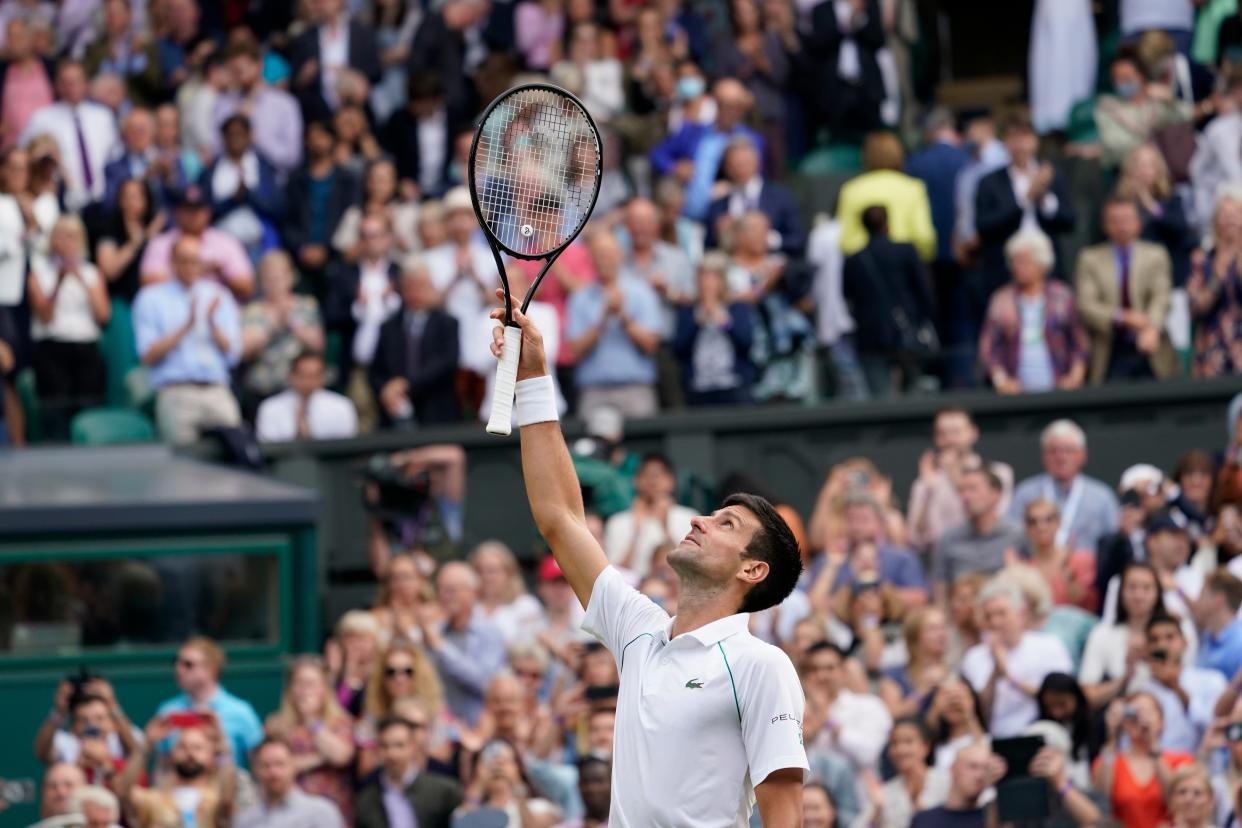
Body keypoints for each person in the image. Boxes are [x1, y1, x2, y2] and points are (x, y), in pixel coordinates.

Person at [490, 300, 809, 824]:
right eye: (712, 513)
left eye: (726, 524)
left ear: (752, 570)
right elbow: (561, 519)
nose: (701, 521)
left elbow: (785, 814)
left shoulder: (761, 666)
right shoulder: (640, 632)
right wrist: (533, 377)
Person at [132, 234, 243, 444]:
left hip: (216, 389)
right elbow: (147, 355)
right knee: (181, 462)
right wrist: (186, 326)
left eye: (195, 261)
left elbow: (233, 355)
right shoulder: (150, 298)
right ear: (172, 262)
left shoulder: (219, 295)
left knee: (237, 451)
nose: (190, 266)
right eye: (184, 260)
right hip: (175, 391)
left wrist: (211, 324)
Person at [972, 115, 1076, 325]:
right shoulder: (990, 182)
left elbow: (1069, 221)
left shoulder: (1052, 176)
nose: (1020, 145)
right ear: (1005, 143)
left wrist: (1044, 198)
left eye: (1025, 138)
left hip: (1048, 269)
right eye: (1013, 138)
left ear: (1035, 141)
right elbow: (985, 227)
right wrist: (1025, 199)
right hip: (1004, 270)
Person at [1075, 196, 1178, 384]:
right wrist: (1123, 317)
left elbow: (1162, 296)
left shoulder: (1156, 255)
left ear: (1138, 223)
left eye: (1127, 220)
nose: (1122, 226)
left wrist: (1152, 327)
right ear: (1105, 225)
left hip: (1150, 346)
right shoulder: (1089, 259)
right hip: (1110, 348)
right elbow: (1086, 304)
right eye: (1115, 221)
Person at [26, 214, 109, 439]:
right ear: (52, 240)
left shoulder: (91, 273)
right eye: (62, 236)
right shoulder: (40, 273)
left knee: (89, 410)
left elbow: (103, 315)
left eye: (72, 237)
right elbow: (44, 316)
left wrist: (80, 279)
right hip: (52, 349)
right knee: (56, 413)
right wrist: (60, 282)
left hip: (86, 347)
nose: (67, 242)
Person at [978, 229, 1089, 395]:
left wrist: (1075, 376)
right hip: (1016, 393)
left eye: (1024, 262)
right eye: (1014, 262)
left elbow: (1080, 343)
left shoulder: (1062, 297)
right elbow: (988, 348)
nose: (1017, 267)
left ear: (1042, 264)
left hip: (1059, 389)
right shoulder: (1002, 300)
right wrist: (1001, 380)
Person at [566, 232, 662, 420]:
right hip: (595, 392)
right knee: (595, 449)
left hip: (636, 389)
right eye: (599, 254)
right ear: (591, 259)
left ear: (620, 255)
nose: (604, 260)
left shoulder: (642, 293)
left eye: (609, 254)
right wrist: (602, 319)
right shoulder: (579, 298)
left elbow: (651, 345)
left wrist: (623, 318)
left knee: (641, 447)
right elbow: (575, 351)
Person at [842, 204, 936, 397]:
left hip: (869, 334)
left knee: (880, 394)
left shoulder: (854, 260)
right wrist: (925, 319)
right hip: (905, 328)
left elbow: (847, 296)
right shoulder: (905, 251)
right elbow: (924, 290)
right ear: (887, 223)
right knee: (914, 389)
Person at [960, 579, 1072, 736]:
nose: (995, 622)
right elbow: (979, 713)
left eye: (1001, 614)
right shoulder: (973, 657)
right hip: (995, 739)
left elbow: (1061, 698)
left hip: (1042, 732)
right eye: (988, 616)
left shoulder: (1049, 646)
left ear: (1021, 614)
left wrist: (1009, 677)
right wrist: (995, 673)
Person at [324, 212, 400, 432]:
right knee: (362, 421)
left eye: (376, 235)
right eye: (365, 236)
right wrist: (357, 307)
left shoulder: (399, 272)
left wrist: (392, 302)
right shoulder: (345, 274)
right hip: (359, 366)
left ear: (388, 238)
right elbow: (331, 316)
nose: (371, 241)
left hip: (395, 369)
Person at [649, 77, 765, 221]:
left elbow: (757, 179)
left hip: (725, 219)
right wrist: (674, 168)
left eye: (733, 105)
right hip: (688, 215)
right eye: (721, 103)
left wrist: (733, 186)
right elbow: (657, 154)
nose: (726, 110)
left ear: (741, 109)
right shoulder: (693, 131)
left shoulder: (751, 139)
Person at [369, 257, 461, 426]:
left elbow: (447, 363)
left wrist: (407, 384)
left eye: (421, 287)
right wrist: (386, 390)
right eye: (410, 287)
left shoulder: (447, 324)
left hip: (437, 413)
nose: (415, 294)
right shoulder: (388, 327)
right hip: (395, 413)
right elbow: (375, 371)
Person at [263, 656, 355, 820]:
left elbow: (341, 756)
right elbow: (276, 767)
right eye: (299, 684)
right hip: (289, 815)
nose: (305, 691)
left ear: (324, 689)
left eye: (311, 684)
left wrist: (312, 721)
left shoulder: (341, 722)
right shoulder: (276, 725)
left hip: (332, 812)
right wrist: (321, 759)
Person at [18, 59, 118, 211]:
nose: (71, 87)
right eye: (65, 81)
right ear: (57, 85)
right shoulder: (41, 118)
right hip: (62, 200)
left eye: (76, 81)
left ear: (86, 83)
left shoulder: (103, 116)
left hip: (102, 202)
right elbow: (23, 154)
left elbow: (114, 157)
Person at [1010, 419, 1121, 553]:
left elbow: (1114, 541)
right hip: (1035, 570)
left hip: (1090, 571)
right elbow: (1012, 539)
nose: (1061, 457)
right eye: (1054, 451)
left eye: (1068, 450)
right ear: (1044, 456)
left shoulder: (1102, 497)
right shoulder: (1025, 493)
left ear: (1083, 455)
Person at [154, 636, 264, 768]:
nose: (179, 669)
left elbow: (259, 765)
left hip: (228, 786)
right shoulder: (168, 710)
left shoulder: (241, 712)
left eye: (188, 664)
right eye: (176, 663)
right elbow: (162, 767)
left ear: (211, 669)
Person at [421, 561, 507, 726]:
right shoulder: (433, 631)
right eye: (441, 590)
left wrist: (441, 647)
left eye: (452, 590)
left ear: (472, 592)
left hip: (478, 729)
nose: (445, 596)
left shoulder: (490, 632)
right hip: (440, 732)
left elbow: (486, 683)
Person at [1094, 691, 1196, 828]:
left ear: (1162, 722)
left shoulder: (1182, 760)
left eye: (1147, 712)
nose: (1139, 718)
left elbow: (1176, 801)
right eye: (1134, 712)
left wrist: (1152, 743)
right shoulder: (1108, 760)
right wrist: (1112, 737)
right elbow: (1102, 800)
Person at [116, 716, 239, 828]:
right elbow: (124, 792)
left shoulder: (216, 799)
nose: (190, 753)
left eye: (197, 748)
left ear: (211, 755)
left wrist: (223, 745)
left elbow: (227, 799)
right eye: (182, 747)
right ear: (172, 754)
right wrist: (147, 744)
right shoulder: (155, 799)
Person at [139, 185, 255, 300]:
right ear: (177, 212)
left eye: (198, 210)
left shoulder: (226, 243)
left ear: (208, 212)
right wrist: (192, 271)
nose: (193, 216)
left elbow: (247, 288)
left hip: (216, 310)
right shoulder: (160, 243)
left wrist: (221, 272)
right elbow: (147, 282)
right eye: (188, 210)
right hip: (169, 310)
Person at [672, 251, 757, 405]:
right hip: (699, 388)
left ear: (722, 280)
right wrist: (697, 324)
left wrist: (725, 322)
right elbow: (679, 350)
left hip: (733, 386)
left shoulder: (737, 308)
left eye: (712, 278)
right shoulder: (687, 310)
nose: (707, 283)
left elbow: (747, 343)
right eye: (703, 277)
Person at [240, 249, 325, 405]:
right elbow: (243, 351)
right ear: (262, 282)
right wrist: (273, 325)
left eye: (280, 277)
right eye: (270, 278)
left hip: (299, 388)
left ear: (291, 277)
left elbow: (318, 345)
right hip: (262, 388)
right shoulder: (252, 310)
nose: (276, 283)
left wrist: (292, 324)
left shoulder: (306, 305)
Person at [932, 465, 1025, 605]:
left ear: (996, 494)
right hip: (963, 618)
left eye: (973, 489)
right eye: (961, 491)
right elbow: (940, 589)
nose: (966, 496)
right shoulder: (948, 539)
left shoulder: (1018, 534)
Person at [837, 132, 937, 262]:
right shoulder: (913, 188)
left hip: (865, 267)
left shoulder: (851, 190)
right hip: (902, 264)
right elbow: (924, 237)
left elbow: (845, 240)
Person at [421, 186, 495, 358]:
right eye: (454, 217)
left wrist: (475, 277)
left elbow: (495, 303)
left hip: (480, 341)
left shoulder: (492, 259)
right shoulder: (431, 258)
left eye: (467, 216)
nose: (461, 222)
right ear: (446, 222)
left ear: (476, 220)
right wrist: (455, 276)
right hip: (440, 342)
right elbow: (428, 303)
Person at [1136, 615, 1226, 753]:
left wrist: (1175, 686)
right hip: (1155, 767)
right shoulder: (1141, 689)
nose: (1162, 645)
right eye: (1154, 640)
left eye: (1170, 637)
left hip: (1199, 767)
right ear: (1147, 648)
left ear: (1184, 642)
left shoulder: (1211, 680)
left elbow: (1216, 726)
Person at [353, 715, 464, 828]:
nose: (392, 753)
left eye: (399, 745)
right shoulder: (365, 801)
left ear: (413, 747)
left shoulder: (445, 791)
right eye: (384, 746)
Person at [212, 41, 304, 176]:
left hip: (273, 185)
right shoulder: (223, 104)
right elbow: (214, 149)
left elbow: (293, 158)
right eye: (233, 71)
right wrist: (234, 130)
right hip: (229, 183)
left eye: (241, 70)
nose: (237, 76)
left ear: (259, 65)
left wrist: (256, 137)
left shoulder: (285, 104)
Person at [1095, 47, 1192, 171]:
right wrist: (1151, 145)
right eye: (1117, 79)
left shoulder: (1155, 103)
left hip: (1160, 173)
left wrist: (1170, 100)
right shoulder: (1107, 105)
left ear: (1141, 76)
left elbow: (1187, 115)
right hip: (1120, 172)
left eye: (1126, 78)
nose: (1121, 83)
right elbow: (1115, 143)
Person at [704, 136, 804, 255]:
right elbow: (708, 249)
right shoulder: (718, 206)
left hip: (772, 266)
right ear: (727, 168)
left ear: (757, 163)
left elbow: (798, 241)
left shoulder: (781, 197)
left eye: (745, 163)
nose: (740, 169)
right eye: (735, 164)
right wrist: (721, 237)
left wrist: (767, 239)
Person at [603, 453, 697, 578]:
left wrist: (666, 528)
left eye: (659, 475)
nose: (653, 481)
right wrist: (636, 532)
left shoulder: (690, 517)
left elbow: (693, 567)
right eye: (646, 475)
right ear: (636, 481)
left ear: (672, 481)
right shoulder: (618, 522)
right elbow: (615, 574)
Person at [287, 0, 382, 122]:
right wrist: (304, 76)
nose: (321, 5)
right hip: (318, 113)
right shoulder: (305, 38)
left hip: (355, 109)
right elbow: (294, 82)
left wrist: (355, 77)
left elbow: (376, 71)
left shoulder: (363, 33)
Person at [805, 0, 886, 140]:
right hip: (835, 90)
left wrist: (859, 19)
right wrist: (846, 25)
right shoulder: (821, 10)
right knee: (837, 141)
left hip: (866, 89)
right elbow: (819, 45)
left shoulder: (869, 5)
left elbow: (878, 40)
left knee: (873, 139)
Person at [854, 717, 950, 828]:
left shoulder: (946, 783)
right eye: (894, 743)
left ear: (925, 747)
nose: (900, 749)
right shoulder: (884, 793)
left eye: (908, 742)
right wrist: (878, 810)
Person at [377, 71, 458, 199]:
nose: (413, 108)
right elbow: (388, 155)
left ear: (436, 100)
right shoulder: (399, 120)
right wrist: (400, 181)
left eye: (420, 104)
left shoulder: (454, 118)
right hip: (410, 195)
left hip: (446, 190)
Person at [233, 737, 345, 828]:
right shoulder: (244, 820)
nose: (273, 772)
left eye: (280, 764)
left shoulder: (320, 812)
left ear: (293, 765)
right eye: (266, 766)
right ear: (255, 770)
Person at [1189, 184, 1242, 378]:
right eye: (1224, 214)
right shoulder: (1203, 259)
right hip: (1213, 346)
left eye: (1235, 213)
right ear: (1215, 221)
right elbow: (1195, 309)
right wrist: (1216, 278)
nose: (1230, 220)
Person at [1021, 499, 1098, 612]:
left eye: (1048, 520)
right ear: (1026, 528)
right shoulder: (1023, 569)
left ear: (1059, 522)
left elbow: (1090, 605)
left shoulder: (1081, 559)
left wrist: (1070, 579)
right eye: (1033, 522)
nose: (1041, 527)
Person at [96, 178, 163, 304]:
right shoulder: (109, 230)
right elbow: (109, 271)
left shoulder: (157, 230)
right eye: (126, 197)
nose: (130, 202)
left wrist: (152, 239)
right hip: (120, 300)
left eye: (136, 197)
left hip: (152, 300)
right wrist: (135, 244)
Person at [470, 540, 547, 643]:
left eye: (492, 571)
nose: (486, 577)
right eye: (480, 571)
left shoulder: (526, 605)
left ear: (509, 573)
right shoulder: (470, 606)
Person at [909, 741, 996, 827]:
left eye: (986, 769)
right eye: (973, 766)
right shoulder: (924, 820)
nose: (979, 775)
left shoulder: (992, 819)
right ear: (953, 768)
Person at [1198, 569, 1242, 679]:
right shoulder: (1207, 637)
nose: (1198, 600)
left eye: (1202, 594)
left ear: (1218, 599)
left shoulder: (1239, 643)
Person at [555, 754, 611, 828]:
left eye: (598, 781)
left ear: (611, 784)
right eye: (586, 782)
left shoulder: (624, 823)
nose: (592, 789)